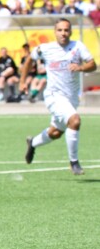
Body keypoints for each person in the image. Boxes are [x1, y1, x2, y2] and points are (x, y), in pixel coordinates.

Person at [21, 18, 97, 175]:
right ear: (55, 32)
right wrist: (22, 81)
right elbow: (29, 59)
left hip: (71, 98)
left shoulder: (78, 47)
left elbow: (93, 64)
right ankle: (74, 162)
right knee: (75, 121)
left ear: (71, 32)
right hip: (54, 95)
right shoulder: (46, 48)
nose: (63, 33)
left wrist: (81, 67)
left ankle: (33, 143)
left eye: (66, 30)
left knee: (56, 132)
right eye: (60, 30)